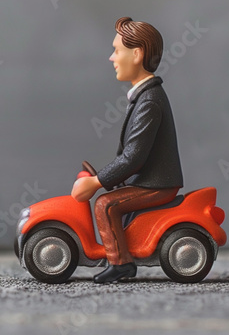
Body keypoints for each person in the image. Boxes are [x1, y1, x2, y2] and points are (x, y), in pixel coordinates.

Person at [71, 17, 184, 283]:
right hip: (147, 179)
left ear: (137, 54)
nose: (112, 58)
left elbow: (134, 156)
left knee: (105, 205)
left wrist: (97, 183)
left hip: (157, 183)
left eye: (117, 50)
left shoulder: (149, 101)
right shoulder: (144, 97)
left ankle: (121, 263)